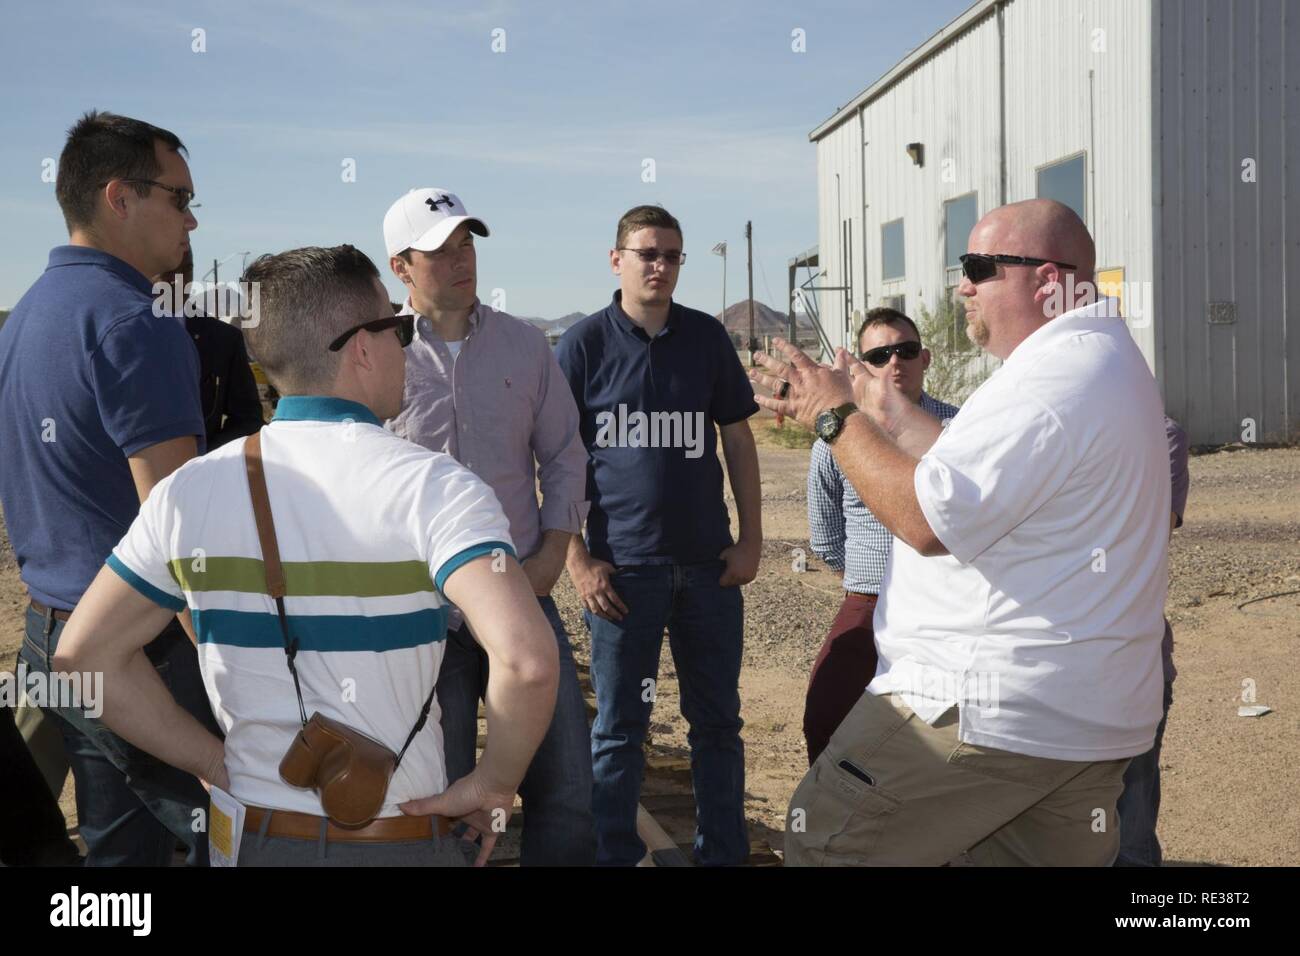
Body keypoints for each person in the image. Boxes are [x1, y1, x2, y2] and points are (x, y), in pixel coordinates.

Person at [53, 244, 560, 867]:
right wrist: (492, 785)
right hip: (396, 841)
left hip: (252, 841)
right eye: (397, 328)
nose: (406, 345)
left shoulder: (187, 491)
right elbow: (529, 661)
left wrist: (214, 761)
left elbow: (82, 657)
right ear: (362, 347)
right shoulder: (438, 488)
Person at [753, 199, 1169, 866]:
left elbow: (923, 521)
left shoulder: (1052, 379)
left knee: (822, 841)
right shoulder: (1089, 360)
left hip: (982, 713)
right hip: (1071, 723)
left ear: (1049, 280)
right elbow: (980, 466)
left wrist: (833, 418)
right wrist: (886, 414)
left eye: (979, 267)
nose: (962, 285)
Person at [0, 110, 217, 866]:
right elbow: (178, 525)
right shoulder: (138, 322)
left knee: (121, 849)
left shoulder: (25, 316)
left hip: (52, 631)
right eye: (179, 197)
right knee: (218, 835)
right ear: (119, 196)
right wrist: (230, 660)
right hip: (139, 646)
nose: (192, 219)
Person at [382, 187, 595, 866]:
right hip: (420, 616)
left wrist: (554, 554)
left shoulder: (526, 347)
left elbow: (565, 454)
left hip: (519, 599)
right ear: (401, 267)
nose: (460, 260)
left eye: (467, 243)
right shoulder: (375, 357)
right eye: (439, 250)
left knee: (564, 786)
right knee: (433, 794)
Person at [555, 204, 763, 866]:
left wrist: (752, 538)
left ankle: (722, 856)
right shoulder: (583, 344)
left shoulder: (705, 339)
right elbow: (554, 459)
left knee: (718, 729)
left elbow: (737, 437)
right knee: (619, 732)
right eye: (647, 253)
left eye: (672, 255)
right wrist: (578, 560)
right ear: (616, 259)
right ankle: (614, 856)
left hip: (708, 570)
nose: (660, 265)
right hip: (622, 575)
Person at [804, 308, 958, 765]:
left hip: (944, 602)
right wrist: (865, 574)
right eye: (880, 353)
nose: (896, 361)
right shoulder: (836, 436)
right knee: (826, 715)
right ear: (862, 367)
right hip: (869, 599)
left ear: (926, 358)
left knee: (942, 729)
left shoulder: (960, 430)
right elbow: (826, 534)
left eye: (907, 350)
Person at [1115, 415, 1189, 866]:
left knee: (1132, 817)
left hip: (1132, 658)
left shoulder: (1161, 435)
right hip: (1053, 661)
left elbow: (1147, 534)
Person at [163, 249, 264, 449]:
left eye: (186, 270)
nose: (178, 280)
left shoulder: (223, 339)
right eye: (166, 272)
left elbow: (248, 420)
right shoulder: (115, 334)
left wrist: (203, 458)